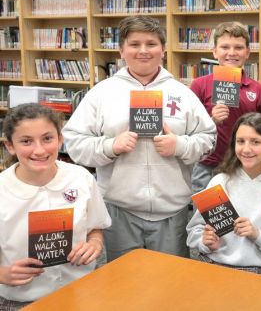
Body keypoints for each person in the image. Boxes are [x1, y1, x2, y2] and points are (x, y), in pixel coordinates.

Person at [62, 16, 216, 262]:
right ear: (122, 50)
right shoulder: (102, 93)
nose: (143, 51)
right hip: (119, 209)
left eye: (151, 43)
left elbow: (208, 139)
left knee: (171, 280)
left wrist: (180, 145)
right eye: (134, 44)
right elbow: (74, 141)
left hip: (171, 211)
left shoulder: (182, 93)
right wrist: (111, 146)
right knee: (123, 282)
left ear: (163, 49)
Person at [0, 103, 111, 310]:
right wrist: (3, 274)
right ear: (10, 146)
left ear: (60, 140)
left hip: (81, 289)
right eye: (26, 141)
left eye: (47, 138)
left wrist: (94, 244)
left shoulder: (81, 178)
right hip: (21, 300)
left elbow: (96, 227)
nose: (39, 150)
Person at [187, 112, 261, 278]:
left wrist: (258, 235)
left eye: (255, 142)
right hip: (213, 265)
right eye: (240, 141)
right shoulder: (219, 182)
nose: (246, 149)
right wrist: (205, 242)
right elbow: (195, 230)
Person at [190, 21, 261, 194]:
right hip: (208, 166)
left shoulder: (256, 88)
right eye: (225, 47)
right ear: (214, 51)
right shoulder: (199, 85)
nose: (231, 53)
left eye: (239, 47)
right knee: (207, 218)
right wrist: (212, 121)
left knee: (242, 216)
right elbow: (188, 130)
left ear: (247, 52)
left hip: (245, 166)